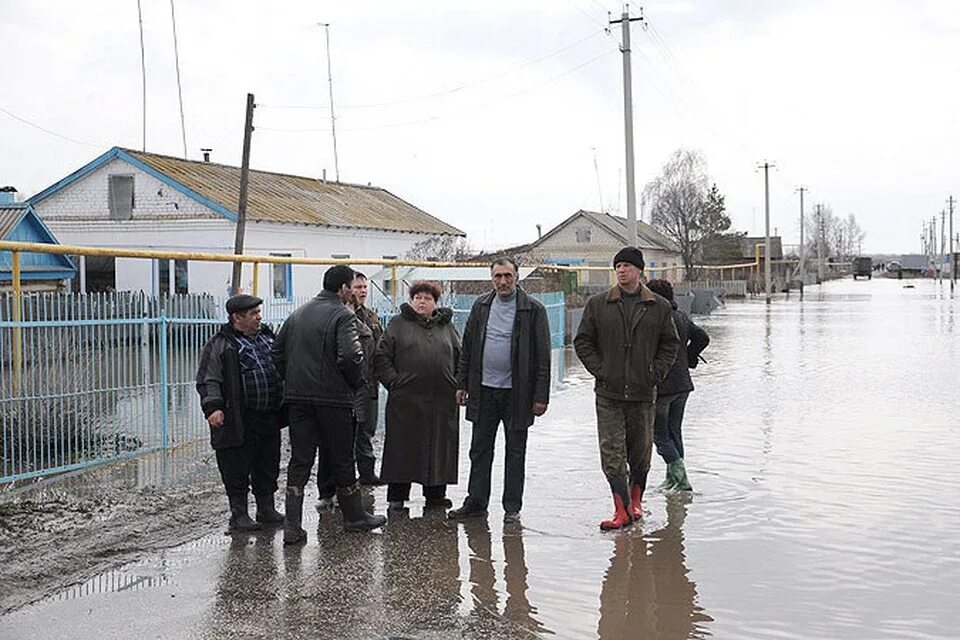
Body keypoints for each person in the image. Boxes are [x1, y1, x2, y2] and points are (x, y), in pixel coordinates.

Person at [273, 265, 386, 545]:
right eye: (352, 285)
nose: (354, 290)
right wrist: (356, 383)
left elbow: (276, 353)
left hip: (298, 399)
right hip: (333, 399)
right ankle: (355, 517)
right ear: (344, 288)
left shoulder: (297, 314)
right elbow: (350, 357)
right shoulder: (342, 315)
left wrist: (293, 382)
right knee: (341, 456)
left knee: (300, 460)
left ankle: (292, 526)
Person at [573, 247, 680, 530]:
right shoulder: (599, 304)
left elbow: (670, 344)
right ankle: (620, 509)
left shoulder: (658, 306)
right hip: (609, 393)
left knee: (641, 451)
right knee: (611, 452)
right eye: (618, 266)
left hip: (644, 393)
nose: (621, 270)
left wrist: (655, 372)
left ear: (639, 271)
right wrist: (601, 369)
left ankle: (636, 501)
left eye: (627, 266)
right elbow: (582, 341)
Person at [448, 258, 551, 524]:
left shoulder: (533, 310)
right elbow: (468, 348)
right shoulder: (481, 306)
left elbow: (543, 357)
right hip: (483, 391)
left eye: (507, 276)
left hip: (518, 394)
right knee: (480, 450)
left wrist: (540, 396)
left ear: (517, 277)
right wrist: (462, 383)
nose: (503, 282)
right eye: (497, 276)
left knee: (515, 452)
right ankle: (476, 502)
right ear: (491, 278)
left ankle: (512, 508)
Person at [196, 294, 285, 533]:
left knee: (268, 463)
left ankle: (266, 509)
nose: (259, 317)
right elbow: (208, 379)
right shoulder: (220, 344)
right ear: (237, 317)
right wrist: (213, 408)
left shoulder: (267, 337)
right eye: (254, 313)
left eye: (258, 312)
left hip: (268, 415)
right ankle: (239, 515)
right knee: (236, 465)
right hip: (237, 417)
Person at [374, 281, 461, 510]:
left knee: (439, 447)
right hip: (406, 401)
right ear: (412, 301)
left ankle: (435, 495)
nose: (422, 302)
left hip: (442, 401)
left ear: (435, 303)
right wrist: (394, 382)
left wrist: (457, 383)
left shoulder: (447, 327)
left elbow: (461, 356)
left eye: (427, 298)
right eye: (417, 298)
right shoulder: (398, 324)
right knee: (403, 448)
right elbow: (381, 357)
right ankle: (397, 496)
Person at [315, 289, 379, 512]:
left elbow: (370, 360)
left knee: (351, 443)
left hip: (356, 392)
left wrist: (367, 386)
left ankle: (345, 492)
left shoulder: (365, 329)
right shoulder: (328, 325)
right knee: (330, 445)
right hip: (334, 393)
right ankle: (328, 491)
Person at [646, 279, 710, 492]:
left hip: (664, 386)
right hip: (683, 384)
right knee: (675, 432)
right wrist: (689, 358)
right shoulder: (681, 316)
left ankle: (681, 479)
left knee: (660, 435)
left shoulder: (657, 318)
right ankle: (673, 478)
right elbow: (702, 337)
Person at [350, 272, 385, 485]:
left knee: (366, 429)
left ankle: (367, 473)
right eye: (358, 287)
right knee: (347, 432)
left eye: (365, 287)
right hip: (348, 385)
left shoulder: (371, 317)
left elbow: (381, 349)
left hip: (370, 383)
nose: (362, 291)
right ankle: (344, 479)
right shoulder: (341, 315)